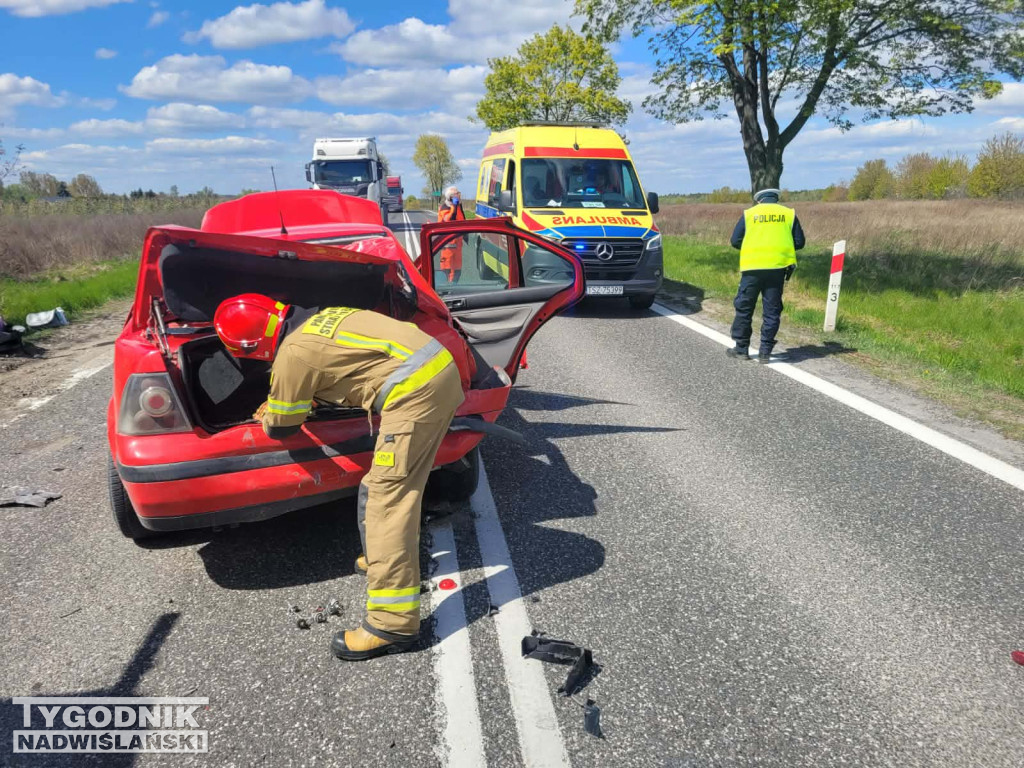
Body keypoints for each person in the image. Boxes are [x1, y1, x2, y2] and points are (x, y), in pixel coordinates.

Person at [213, 294, 464, 661]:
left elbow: (282, 426)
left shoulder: (292, 354)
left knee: (386, 501)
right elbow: (343, 365)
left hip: (415, 394)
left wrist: (269, 412)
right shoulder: (324, 316)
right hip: (440, 371)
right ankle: (382, 559)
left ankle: (392, 625)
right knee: (392, 487)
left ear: (250, 347)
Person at [727, 188, 805, 362]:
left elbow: (735, 241)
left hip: (752, 268)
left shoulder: (749, 214)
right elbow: (800, 242)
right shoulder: (788, 214)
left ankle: (741, 349)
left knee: (745, 307)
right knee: (772, 310)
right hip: (777, 269)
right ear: (776, 199)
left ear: (759, 200)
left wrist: (752, 247)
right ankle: (765, 352)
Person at [437, 186, 465, 283]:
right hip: (448, 245)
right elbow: (448, 220)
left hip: (458, 245)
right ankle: (447, 289)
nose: (459, 195)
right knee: (447, 270)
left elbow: (462, 221)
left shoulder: (458, 207)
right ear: (451, 197)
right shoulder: (444, 208)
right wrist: (453, 207)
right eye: (456, 194)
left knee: (457, 271)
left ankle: (454, 286)